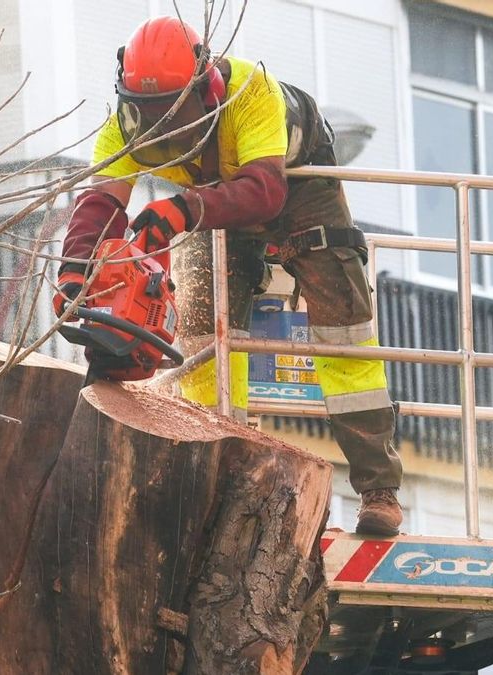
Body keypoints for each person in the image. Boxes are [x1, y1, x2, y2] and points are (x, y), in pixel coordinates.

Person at [52, 16, 403, 536]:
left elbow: (265, 191)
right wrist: (75, 277)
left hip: (294, 184)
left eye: (174, 110)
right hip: (208, 202)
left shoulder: (249, 92)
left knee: (341, 326)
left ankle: (379, 489)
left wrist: (178, 213)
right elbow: (100, 204)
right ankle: (216, 462)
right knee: (200, 328)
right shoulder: (123, 125)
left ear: (204, 86)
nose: (162, 124)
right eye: (150, 112)